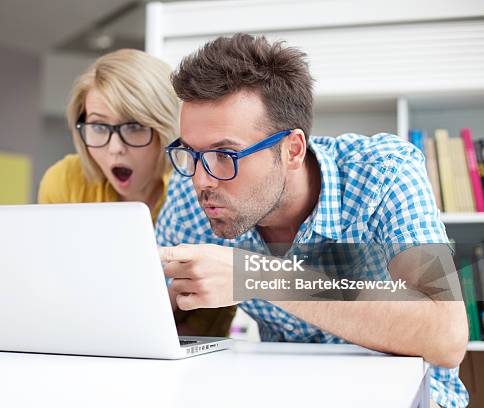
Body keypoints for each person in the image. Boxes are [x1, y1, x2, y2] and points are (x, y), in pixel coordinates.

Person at [156, 34, 468, 407]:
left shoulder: (384, 172)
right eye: (190, 153)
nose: (200, 179)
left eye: (225, 154)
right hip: (286, 393)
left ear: (292, 149)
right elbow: (149, 309)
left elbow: (446, 334)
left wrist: (255, 273)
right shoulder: (192, 193)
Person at [38, 49, 235, 337]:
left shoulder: (197, 191)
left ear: (164, 128)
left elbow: (204, 316)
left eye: (133, 126)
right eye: (98, 126)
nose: (115, 147)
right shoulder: (65, 181)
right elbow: (55, 286)